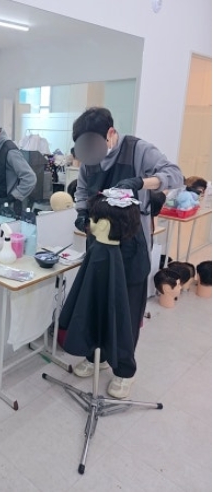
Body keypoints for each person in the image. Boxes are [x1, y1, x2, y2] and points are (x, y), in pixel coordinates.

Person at [70, 106, 183, 398]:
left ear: (111, 134)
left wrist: (141, 182)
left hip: (132, 248)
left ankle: (124, 370)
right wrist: (81, 215)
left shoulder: (137, 150)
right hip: (99, 247)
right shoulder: (89, 161)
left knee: (126, 312)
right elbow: (81, 191)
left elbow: (174, 175)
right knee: (96, 303)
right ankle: (96, 356)